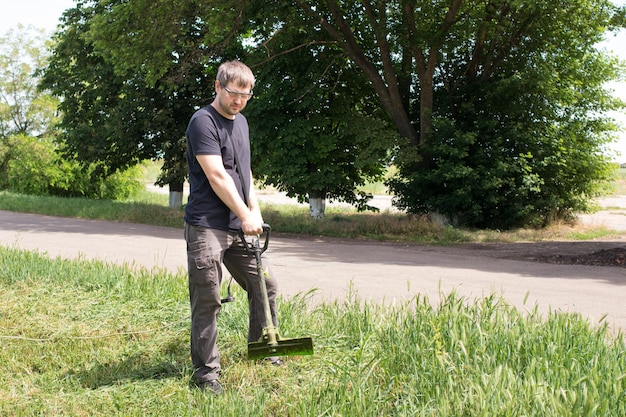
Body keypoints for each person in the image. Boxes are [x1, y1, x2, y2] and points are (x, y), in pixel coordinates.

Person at [184, 60, 281, 395]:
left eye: (245, 95)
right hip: (207, 225)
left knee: (265, 286)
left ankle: (263, 349)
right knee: (208, 298)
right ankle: (207, 375)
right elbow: (217, 176)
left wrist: (254, 209)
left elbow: (243, 174)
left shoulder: (242, 124)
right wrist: (243, 213)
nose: (238, 101)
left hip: (239, 224)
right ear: (217, 87)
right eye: (233, 93)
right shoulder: (202, 122)